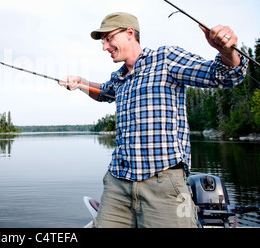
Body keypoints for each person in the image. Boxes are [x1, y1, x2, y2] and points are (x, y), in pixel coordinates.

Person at [60, 12, 248, 227]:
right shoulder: (120, 77)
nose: (105, 47)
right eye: (103, 42)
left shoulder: (166, 58)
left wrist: (226, 50)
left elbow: (224, 76)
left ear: (129, 33)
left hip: (163, 184)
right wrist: (81, 82)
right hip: (118, 183)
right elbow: (102, 92)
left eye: (109, 38)